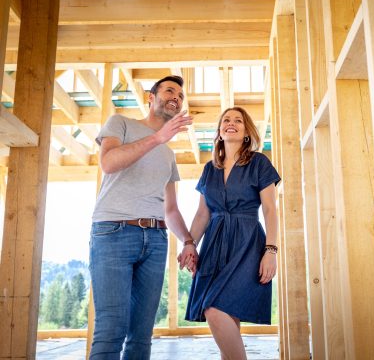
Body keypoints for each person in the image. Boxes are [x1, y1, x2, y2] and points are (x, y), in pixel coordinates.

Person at [89, 75, 198, 359]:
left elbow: (171, 209)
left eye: (181, 95)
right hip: (113, 232)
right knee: (110, 329)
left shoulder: (169, 155)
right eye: (170, 90)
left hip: (156, 239)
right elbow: (109, 163)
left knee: (141, 335)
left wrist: (188, 241)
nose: (177, 96)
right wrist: (157, 138)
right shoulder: (120, 123)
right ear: (151, 97)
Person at [179, 106, 280, 360]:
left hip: (247, 243)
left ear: (247, 132)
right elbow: (203, 214)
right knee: (226, 314)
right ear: (219, 131)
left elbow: (270, 209)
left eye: (238, 120)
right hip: (213, 244)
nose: (231, 123)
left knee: (214, 308)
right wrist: (189, 244)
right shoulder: (209, 169)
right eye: (226, 120)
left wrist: (271, 250)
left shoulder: (259, 163)